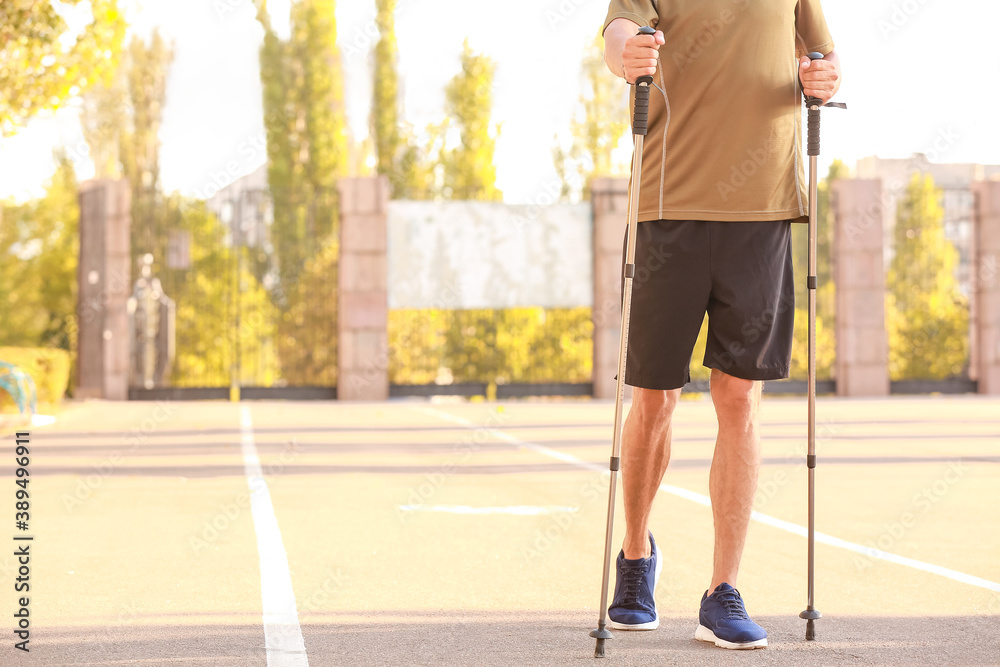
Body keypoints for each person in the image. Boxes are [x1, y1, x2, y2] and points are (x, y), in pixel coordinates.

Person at [601, 0, 842, 650]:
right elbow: (620, 29)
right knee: (654, 397)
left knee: (739, 395)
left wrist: (823, 78)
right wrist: (626, 52)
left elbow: (821, 57)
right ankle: (634, 555)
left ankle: (722, 589)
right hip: (667, 203)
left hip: (762, 208)